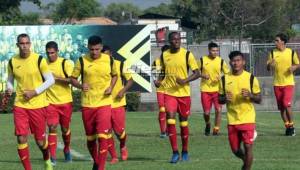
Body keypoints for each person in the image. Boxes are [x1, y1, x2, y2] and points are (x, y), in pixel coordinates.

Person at [6, 33, 55, 170]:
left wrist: (34, 92)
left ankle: (47, 158)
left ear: (30, 44)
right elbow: (10, 80)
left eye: (27, 43)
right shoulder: (12, 61)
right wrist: (9, 88)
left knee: (40, 142)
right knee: (21, 138)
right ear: (17, 45)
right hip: (20, 105)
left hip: (38, 106)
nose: (25, 46)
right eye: (22, 43)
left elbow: (51, 80)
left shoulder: (39, 59)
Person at [70, 35, 117, 170]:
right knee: (91, 139)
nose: (94, 52)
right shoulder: (81, 61)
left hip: (104, 103)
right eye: (92, 49)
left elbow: (115, 75)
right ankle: (96, 163)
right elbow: (72, 79)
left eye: (97, 49)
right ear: (88, 48)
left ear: (101, 47)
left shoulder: (109, 60)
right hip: (88, 104)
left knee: (103, 136)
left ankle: (100, 167)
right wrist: (80, 85)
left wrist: (111, 87)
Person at [158, 32, 200, 163]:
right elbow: (162, 72)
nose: (176, 41)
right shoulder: (164, 55)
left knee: (183, 123)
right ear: (169, 41)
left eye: (178, 39)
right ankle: (175, 152)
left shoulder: (187, 54)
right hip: (170, 93)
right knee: (170, 118)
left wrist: (185, 80)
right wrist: (159, 80)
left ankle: (185, 151)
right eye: (174, 40)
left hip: (184, 94)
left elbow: (197, 73)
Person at [219, 51, 261, 170]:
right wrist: (224, 98)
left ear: (243, 62)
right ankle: (247, 161)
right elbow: (219, 99)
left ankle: (247, 166)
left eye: (238, 60)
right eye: (233, 61)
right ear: (230, 63)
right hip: (232, 119)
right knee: (235, 150)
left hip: (248, 118)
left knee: (248, 146)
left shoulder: (251, 78)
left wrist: (250, 96)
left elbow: (259, 99)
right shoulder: (224, 79)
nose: (236, 63)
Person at [102, 45, 134, 164]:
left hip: (117, 103)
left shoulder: (120, 65)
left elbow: (130, 80)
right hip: (103, 104)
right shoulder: (99, 66)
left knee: (119, 131)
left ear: (111, 54)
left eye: (106, 55)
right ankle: (114, 156)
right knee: (106, 131)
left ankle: (123, 146)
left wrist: (123, 90)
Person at [45, 41, 74, 165]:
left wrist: (56, 78)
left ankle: (67, 149)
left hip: (65, 102)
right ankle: (53, 158)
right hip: (50, 102)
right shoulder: (43, 64)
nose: (50, 55)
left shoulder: (65, 63)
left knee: (65, 129)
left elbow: (71, 80)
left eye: (52, 53)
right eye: (48, 53)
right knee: (52, 127)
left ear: (57, 52)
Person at [267, 33, 300, 136]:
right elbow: (268, 67)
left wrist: (294, 67)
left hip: (288, 83)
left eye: (277, 40)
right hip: (277, 84)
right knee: (281, 108)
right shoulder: (272, 53)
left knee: (286, 104)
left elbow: (297, 64)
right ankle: (287, 127)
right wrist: (270, 65)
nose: (275, 42)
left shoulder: (291, 52)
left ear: (283, 42)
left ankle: (292, 125)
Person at [198, 42, 229, 136]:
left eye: (216, 50)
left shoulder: (221, 61)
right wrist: (203, 75)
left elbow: (227, 74)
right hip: (205, 90)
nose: (215, 52)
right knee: (206, 113)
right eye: (213, 50)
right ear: (209, 50)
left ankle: (216, 129)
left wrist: (221, 77)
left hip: (218, 90)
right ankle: (208, 124)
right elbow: (196, 72)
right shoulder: (202, 60)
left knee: (218, 110)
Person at [152, 45, 169, 138]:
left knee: (170, 111)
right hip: (161, 90)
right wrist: (155, 81)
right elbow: (154, 75)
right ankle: (163, 131)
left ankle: (168, 130)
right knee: (162, 109)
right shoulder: (156, 62)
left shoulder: (172, 62)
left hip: (171, 90)